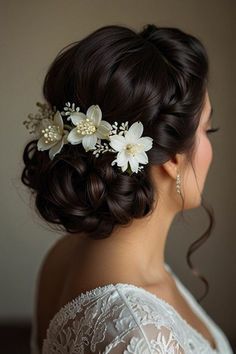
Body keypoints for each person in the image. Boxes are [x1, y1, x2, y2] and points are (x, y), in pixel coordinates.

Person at [21, 24, 234, 353]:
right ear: (173, 160)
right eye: (208, 129)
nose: (210, 149)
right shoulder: (140, 339)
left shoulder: (66, 254)